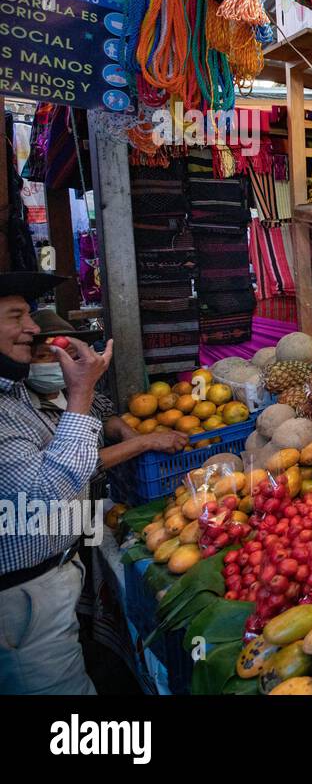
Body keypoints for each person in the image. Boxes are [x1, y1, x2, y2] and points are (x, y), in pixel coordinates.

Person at [0, 272, 116, 694]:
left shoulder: (12, 394)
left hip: (43, 588)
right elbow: (45, 495)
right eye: (17, 316)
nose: (32, 329)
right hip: (23, 605)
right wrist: (81, 392)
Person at [27, 310, 185, 467]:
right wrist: (143, 442)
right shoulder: (21, 410)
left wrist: (126, 433)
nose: (60, 362)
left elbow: (105, 415)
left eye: (68, 354)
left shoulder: (73, 389)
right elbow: (70, 467)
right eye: (44, 356)